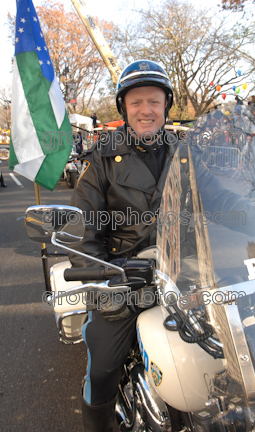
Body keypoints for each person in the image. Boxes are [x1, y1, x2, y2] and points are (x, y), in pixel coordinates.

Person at [69, 60, 175, 432]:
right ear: (124, 109)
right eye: (136, 102)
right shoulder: (102, 157)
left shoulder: (186, 152)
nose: (146, 110)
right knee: (102, 370)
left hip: (181, 275)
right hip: (122, 276)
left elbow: (218, 201)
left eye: (154, 101)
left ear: (166, 106)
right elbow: (85, 225)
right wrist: (104, 278)